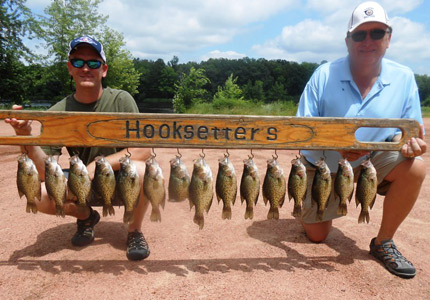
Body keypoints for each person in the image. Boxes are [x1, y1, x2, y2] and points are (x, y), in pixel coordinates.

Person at [296, 1, 426, 279]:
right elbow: (302, 130)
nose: (368, 41)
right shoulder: (323, 75)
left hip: (374, 161)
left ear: (388, 39)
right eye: (359, 34)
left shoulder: (403, 78)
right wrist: (338, 145)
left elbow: (409, 131)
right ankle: (311, 207)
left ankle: (383, 242)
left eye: (377, 33)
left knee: (416, 167)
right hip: (327, 164)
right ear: (347, 40)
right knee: (317, 237)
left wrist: (410, 145)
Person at [5, 36, 152, 261]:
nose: (85, 68)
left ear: (103, 70)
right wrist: (25, 136)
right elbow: (44, 173)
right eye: (78, 62)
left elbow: (143, 151)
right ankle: (86, 216)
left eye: (93, 63)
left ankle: (134, 232)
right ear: (69, 68)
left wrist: (96, 165)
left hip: (120, 180)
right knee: (38, 193)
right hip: (81, 183)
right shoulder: (58, 112)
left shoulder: (122, 100)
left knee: (143, 170)